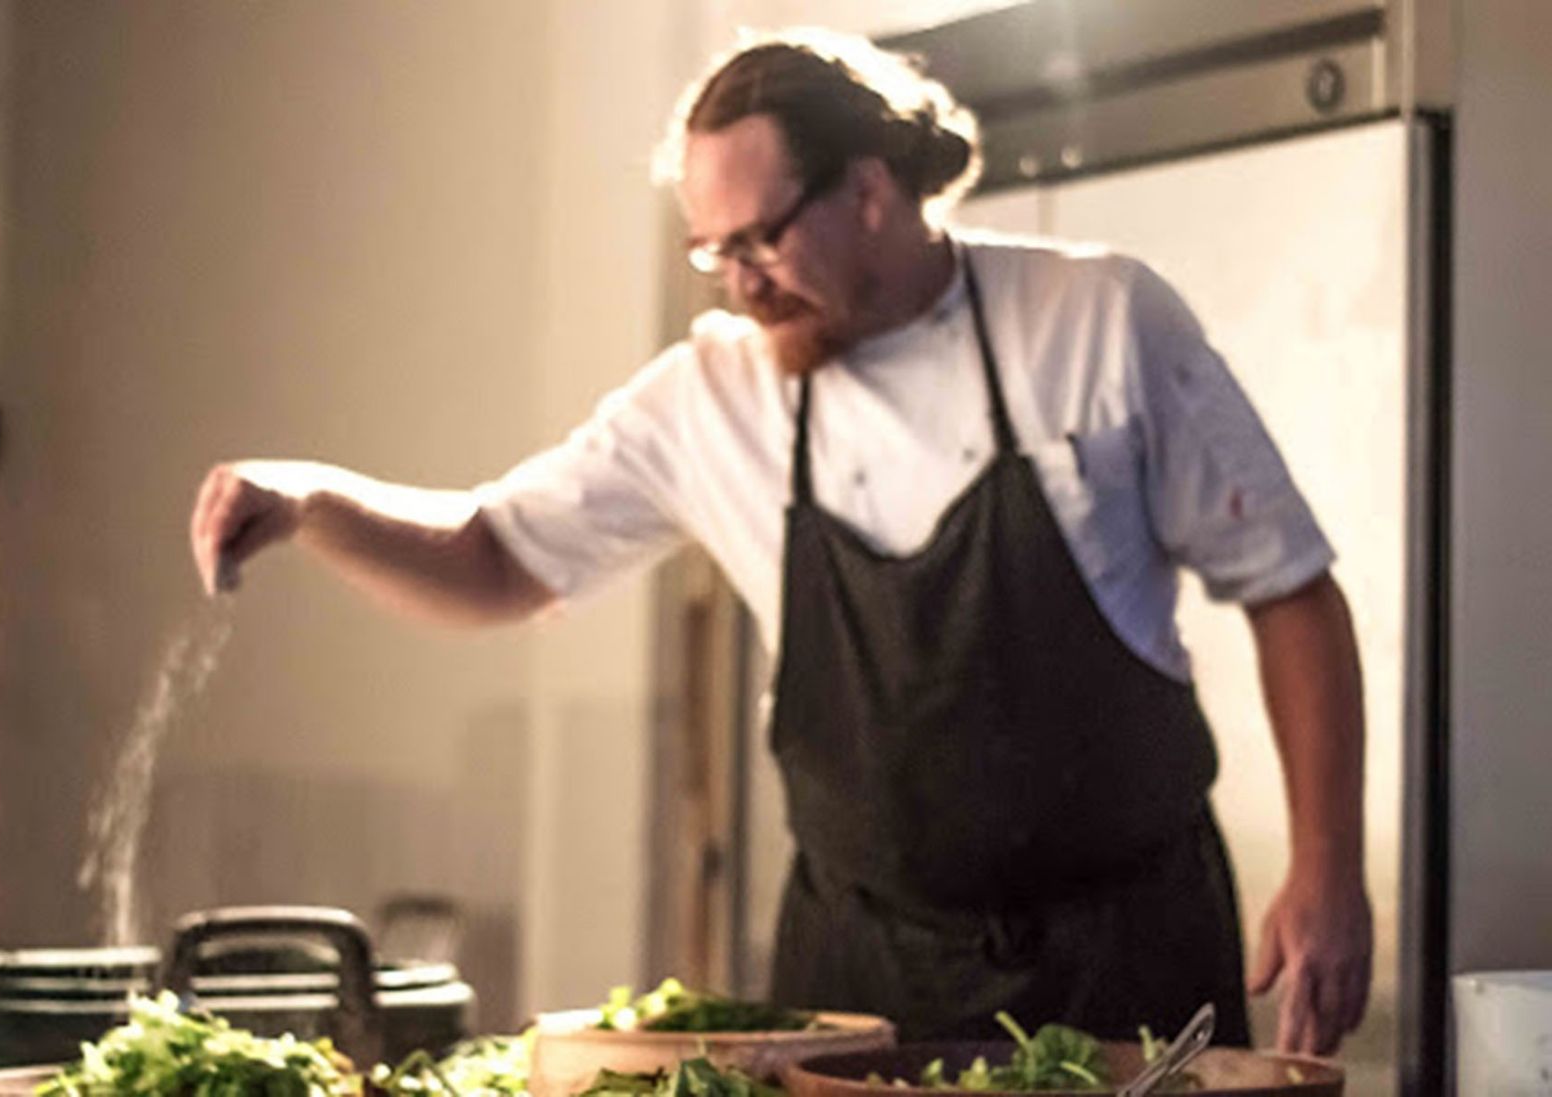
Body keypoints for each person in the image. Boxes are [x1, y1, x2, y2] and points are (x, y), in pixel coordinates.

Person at [190, 28, 1371, 1055]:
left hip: (1124, 959)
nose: (740, 288)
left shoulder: (1096, 318)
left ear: (870, 190)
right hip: (861, 980)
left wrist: (1325, 866)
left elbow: (1289, 590)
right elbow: (494, 557)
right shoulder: (710, 398)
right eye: (713, 252)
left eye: (760, 241)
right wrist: (310, 501)